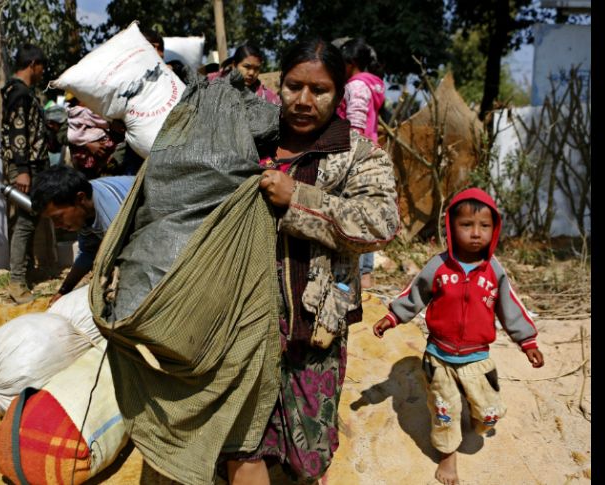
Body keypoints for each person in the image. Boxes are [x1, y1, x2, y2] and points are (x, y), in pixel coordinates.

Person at [223, 38, 399, 484]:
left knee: (308, 456)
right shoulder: (250, 143)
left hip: (315, 323)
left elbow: (379, 225)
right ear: (277, 86)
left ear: (339, 94)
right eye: (293, 86)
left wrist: (296, 199)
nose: (303, 100)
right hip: (243, 321)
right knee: (243, 442)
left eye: (318, 90)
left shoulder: (359, 155)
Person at [372, 188, 545, 485]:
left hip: (478, 358)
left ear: (494, 229)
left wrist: (527, 342)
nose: (476, 233)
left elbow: (510, 307)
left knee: (488, 413)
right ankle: (447, 455)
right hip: (440, 356)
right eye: (466, 225)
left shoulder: (494, 271)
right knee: (444, 410)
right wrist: (393, 316)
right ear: (451, 226)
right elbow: (415, 293)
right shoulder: (438, 267)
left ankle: (474, 414)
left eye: (484, 226)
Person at [30, 165, 134, 306]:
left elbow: (133, 262)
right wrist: (64, 291)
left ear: (80, 198)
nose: (56, 225)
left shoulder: (115, 215)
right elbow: (87, 253)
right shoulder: (85, 208)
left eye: (58, 217)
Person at [337, 38, 387, 290]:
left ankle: (357, 272)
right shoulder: (374, 85)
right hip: (371, 153)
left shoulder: (356, 85)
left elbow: (355, 122)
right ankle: (365, 273)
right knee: (366, 213)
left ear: (352, 63)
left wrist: (348, 156)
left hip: (356, 155)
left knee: (354, 213)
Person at [1, 43, 49, 303]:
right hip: (25, 168)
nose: (43, 73)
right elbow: (19, 133)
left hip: (29, 167)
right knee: (25, 222)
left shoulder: (21, 93)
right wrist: (22, 171)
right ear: (33, 65)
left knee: (28, 220)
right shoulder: (19, 94)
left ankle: (24, 273)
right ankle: (17, 282)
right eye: (41, 67)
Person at [209, 44, 281, 106]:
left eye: (256, 68)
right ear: (234, 65)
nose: (251, 73)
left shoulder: (266, 97)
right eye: (247, 67)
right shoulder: (210, 82)